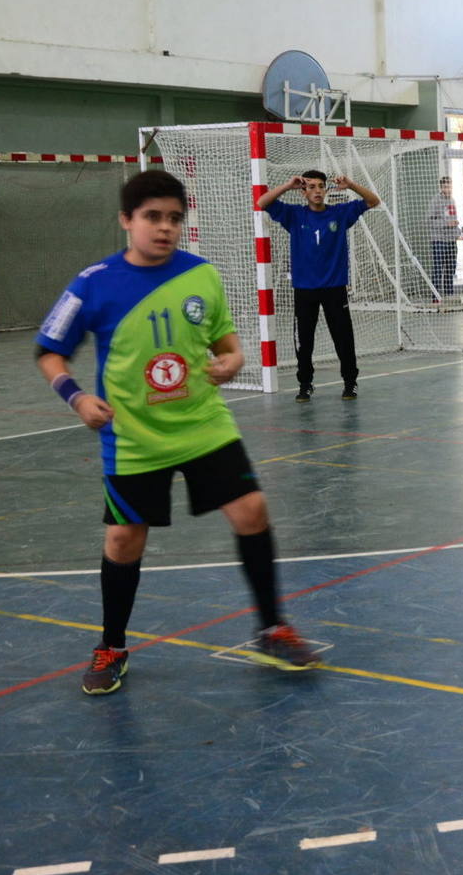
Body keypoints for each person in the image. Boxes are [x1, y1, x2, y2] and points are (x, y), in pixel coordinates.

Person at [37, 170, 319, 696]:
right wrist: (74, 396)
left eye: (173, 219)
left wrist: (233, 360)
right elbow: (49, 350)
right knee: (124, 539)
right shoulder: (93, 283)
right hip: (134, 437)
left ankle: (272, 627)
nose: (164, 229)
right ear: (126, 220)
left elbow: (224, 340)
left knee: (252, 509)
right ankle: (112, 645)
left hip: (203, 425)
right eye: (152, 218)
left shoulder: (202, 275)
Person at [256, 167, 381, 402]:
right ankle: (305, 384)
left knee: (343, 337)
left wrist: (351, 185)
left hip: (334, 288)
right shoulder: (293, 215)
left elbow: (373, 200)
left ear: (326, 190)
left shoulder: (340, 213)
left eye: (321, 186)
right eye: (311, 186)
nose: (317, 191)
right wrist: (287, 185)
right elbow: (262, 202)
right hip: (304, 290)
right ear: (303, 191)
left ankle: (350, 382)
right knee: (304, 340)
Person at [424, 175, 461, 303]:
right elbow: (429, 221)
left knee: (451, 267)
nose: (448, 188)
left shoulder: (453, 201)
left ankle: (449, 294)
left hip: (451, 240)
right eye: (445, 186)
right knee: (438, 268)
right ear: (441, 187)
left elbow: (452, 219)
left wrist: (457, 231)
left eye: (450, 186)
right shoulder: (435, 201)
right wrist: (446, 224)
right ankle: (435, 297)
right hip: (439, 240)